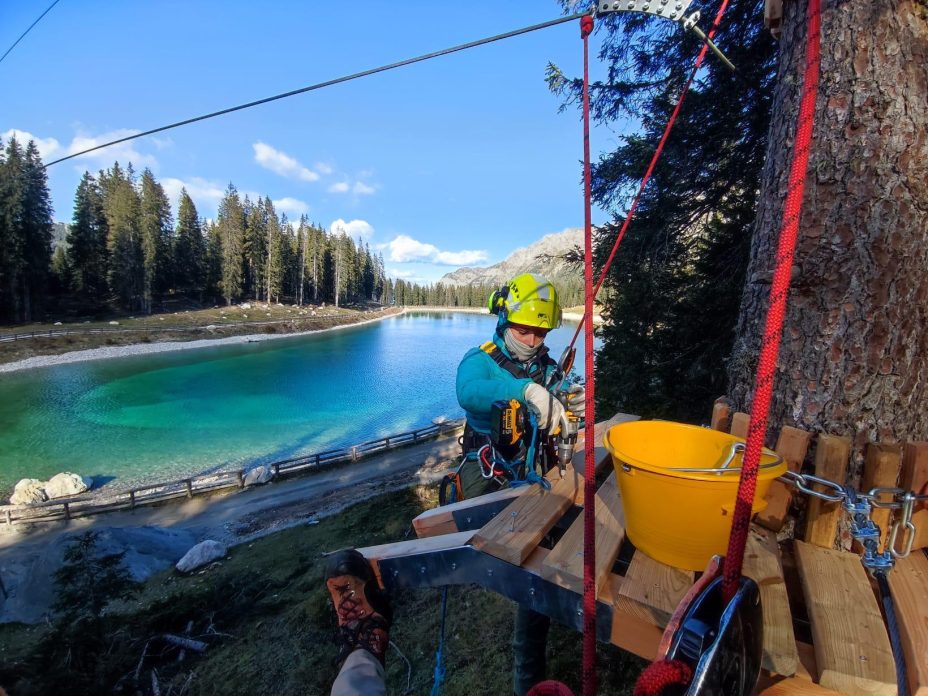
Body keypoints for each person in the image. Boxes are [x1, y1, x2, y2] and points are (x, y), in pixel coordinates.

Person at [454, 272, 582, 696]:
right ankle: (528, 670)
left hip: (535, 472)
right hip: (487, 474)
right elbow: (469, 391)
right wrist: (524, 390)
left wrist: (567, 398)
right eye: (524, 328)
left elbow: (558, 391)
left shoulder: (545, 365)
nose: (531, 338)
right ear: (505, 320)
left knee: (550, 546)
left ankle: (538, 643)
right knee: (519, 559)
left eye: (540, 331)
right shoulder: (482, 358)